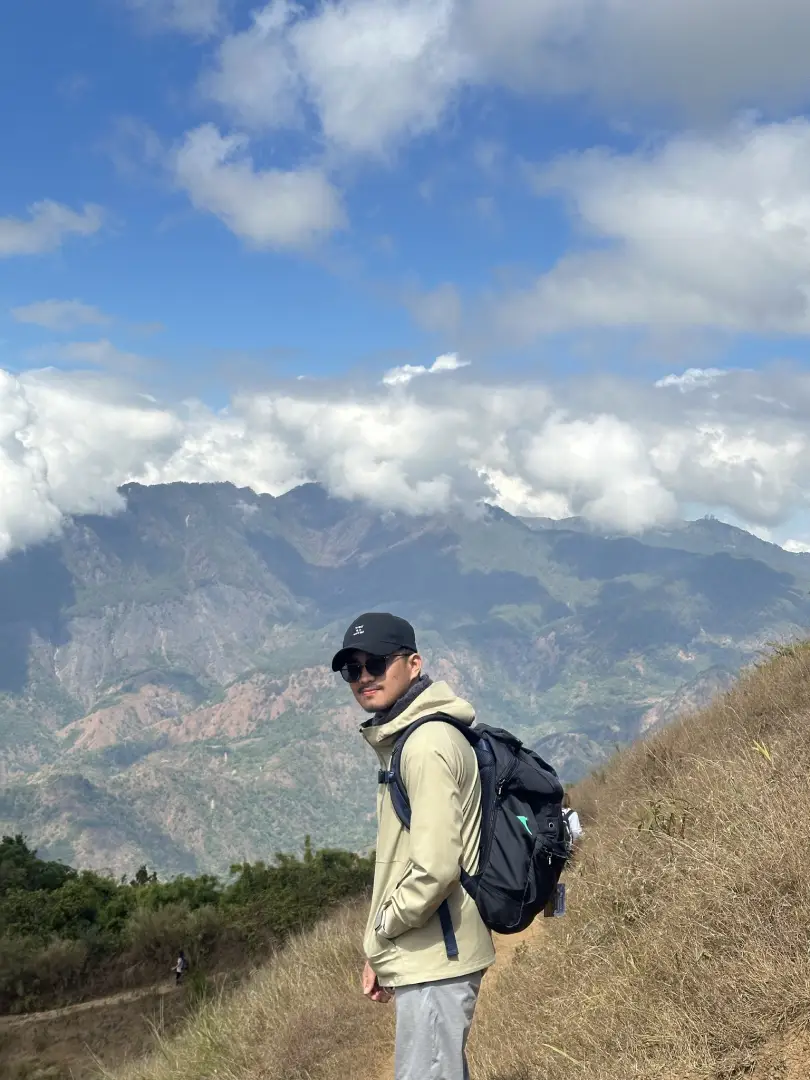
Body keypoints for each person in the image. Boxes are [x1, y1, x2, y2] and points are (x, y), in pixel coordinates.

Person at [332, 612, 496, 1080]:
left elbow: (434, 869)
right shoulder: (409, 739)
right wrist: (380, 954)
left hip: (437, 957)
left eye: (377, 664)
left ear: (414, 664)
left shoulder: (424, 745)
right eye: (352, 669)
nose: (364, 677)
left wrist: (383, 929)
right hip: (426, 950)